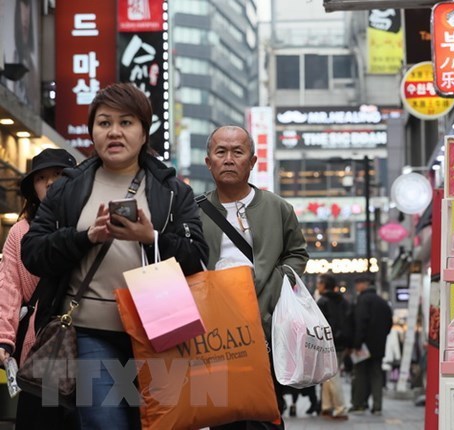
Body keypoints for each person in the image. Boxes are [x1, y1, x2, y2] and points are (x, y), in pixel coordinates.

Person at [21, 83, 209, 430]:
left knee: (156, 424)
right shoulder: (69, 186)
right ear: (92, 131)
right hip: (92, 333)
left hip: (161, 336)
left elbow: (197, 258)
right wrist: (86, 237)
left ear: (144, 130)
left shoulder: (172, 191)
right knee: (106, 422)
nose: (115, 132)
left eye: (126, 123)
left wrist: (150, 237)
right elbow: (33, 252)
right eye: (104, 123)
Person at [199, 125, 309, 429]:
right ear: (209, 162)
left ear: (252, 161)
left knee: (264, 413)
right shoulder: (194, 212)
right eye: (221, 152)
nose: (229, 159)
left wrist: (274, 282)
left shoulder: (277, 207)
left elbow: (297, 254)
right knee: (221, 415)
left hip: (266, 328)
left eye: (238, 152)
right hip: (214, 332)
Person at [0, 148, 77, 429]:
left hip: (91, 344)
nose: (51, 182)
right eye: (41, 177)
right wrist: (4, 339)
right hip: (41, 348)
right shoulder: (21, 232)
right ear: (33, 188)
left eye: (58, 174)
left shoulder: (89, 222)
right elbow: (8, 287)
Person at [349, 276, 392, 416]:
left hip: (364, 346)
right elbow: (389, 324)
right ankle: (377, 406)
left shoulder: (363, 300)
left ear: (364, 284)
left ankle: (359, 404)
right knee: (376, 375)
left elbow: (361, 322)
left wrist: (357, 343)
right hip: (379, 345)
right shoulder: (383, 302)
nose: (356, 287)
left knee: (360, 374)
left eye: (357, 284)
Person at [316, 273, 351, 420]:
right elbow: (350, 321)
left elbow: (317, 323)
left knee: (332, 375)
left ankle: (340, 408)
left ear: (324, 285)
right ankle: (326, 406)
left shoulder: (322, 301)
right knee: (328, 375)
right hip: (342, 342)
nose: (317, 285)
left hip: (328, 342)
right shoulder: (343, 301)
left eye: (319, 283)